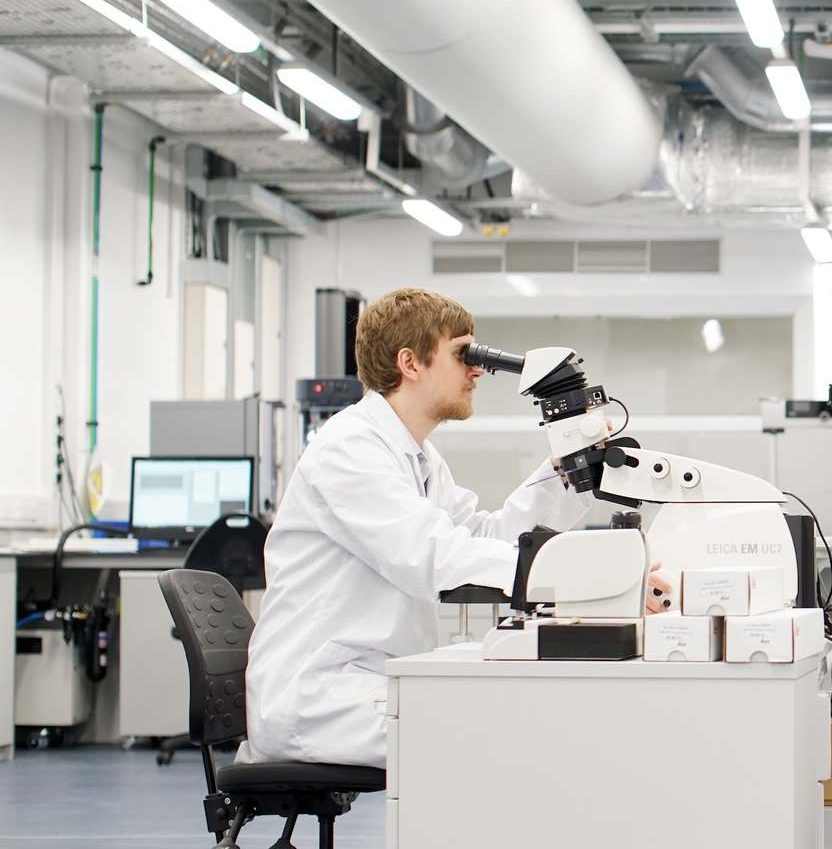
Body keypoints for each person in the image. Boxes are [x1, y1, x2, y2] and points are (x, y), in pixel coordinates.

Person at [242, 288, 665, 767]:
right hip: (321, 699)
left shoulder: (417, 455)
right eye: (463, 353)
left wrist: (568, 475)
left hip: (369, 681)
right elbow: (432, 556)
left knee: (513, 712)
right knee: (499, 731)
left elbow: (485, 538)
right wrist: (594, 578)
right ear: (410, 362)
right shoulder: (348, 449)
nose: (478, 369)